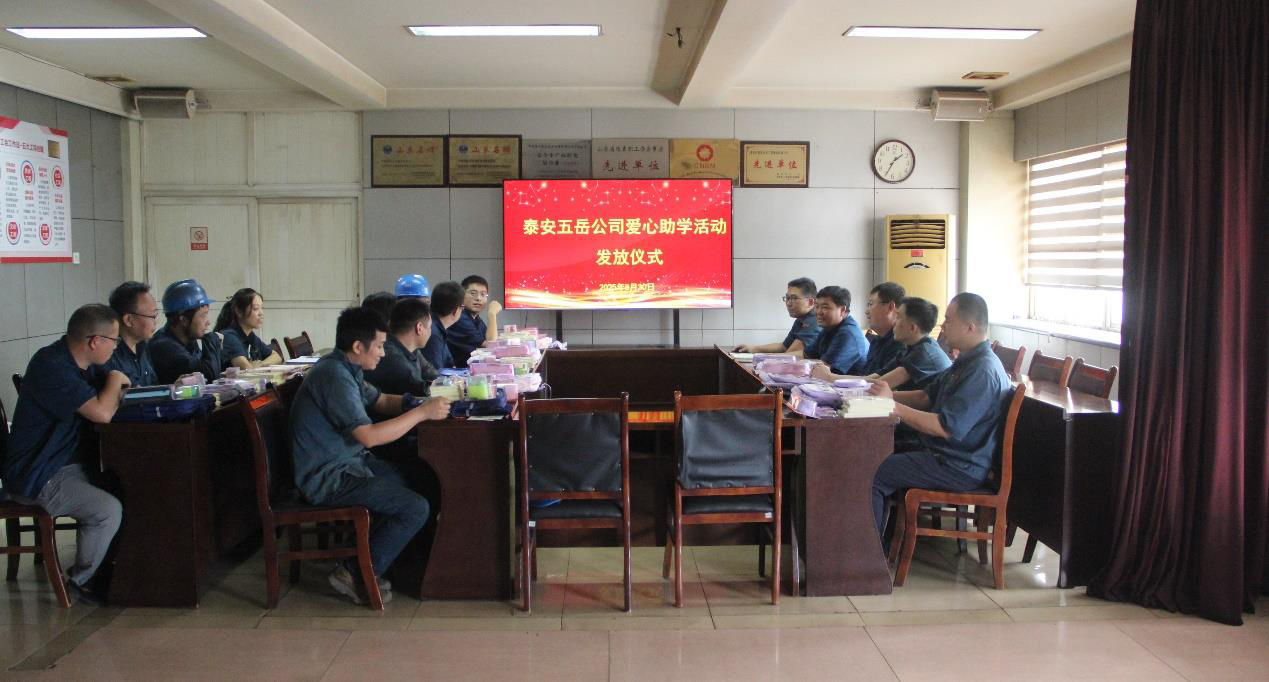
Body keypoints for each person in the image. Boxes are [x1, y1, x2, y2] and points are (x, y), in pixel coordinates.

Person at [289, 307, 451, 605]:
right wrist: (421, 414)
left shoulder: (346, 368)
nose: (383, 353)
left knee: (426, 480)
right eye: (379, 346)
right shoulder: (333, 376)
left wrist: (422, 403)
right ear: (358, 346)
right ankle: (354, 571)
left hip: (352, 464)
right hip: (329, 477)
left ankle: (403, 561)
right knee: (415, 507)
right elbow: (369, 436)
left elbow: (381, 400)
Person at [3, 305, 129, 605]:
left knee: (129, 487)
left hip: (66, 464)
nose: (116, 347)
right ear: (95, 341)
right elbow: (102, 412)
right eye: (113, 340)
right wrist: (115, 379)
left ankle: (116, 570)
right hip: (39, 473)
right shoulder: (52, 366)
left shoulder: (82, 364)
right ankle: (81, 580)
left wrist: (114, 381)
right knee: (107, 510)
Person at [869, 292, 1012, 541]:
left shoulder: (983, 370)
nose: (942, 326)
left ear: (970, 327)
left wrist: (892, 406)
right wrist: (885, 395)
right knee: (869, 453)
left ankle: (869, 554)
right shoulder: (966, 360)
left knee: (874, 473)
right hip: (941, 453)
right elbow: (926, 396)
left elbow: (945, 427)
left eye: (948, 320)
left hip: (958, 465)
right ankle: (873, 540)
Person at [149, 279, 225, 384]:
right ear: (184, 320)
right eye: (203, 315)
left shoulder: (188, 339)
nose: (208, 322)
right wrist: (212, 341)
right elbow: (208, 378)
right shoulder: (164, 347)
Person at [364, 297, 437, 397]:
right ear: (419, 328)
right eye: (429, 327)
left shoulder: (409, 348)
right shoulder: (395, 361)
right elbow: (423, 392)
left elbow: (429, 372)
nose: (430, 332)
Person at [97, 281, 159, 386]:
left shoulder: (143, 347)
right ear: (128, 320)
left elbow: (153, 388)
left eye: (156, 315)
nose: (156, 321)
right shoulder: (108, 355)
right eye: (152, 316)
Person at [734, 277, 819, 353]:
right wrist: (753, 348)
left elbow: (791, 355)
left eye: (794, 298)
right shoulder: (800, 319)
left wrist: (758, 358)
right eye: (787, 298)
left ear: (810, 302)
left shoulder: (815, 320)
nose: (788, 303)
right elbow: (784, 347)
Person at [802, 286, 869, 375]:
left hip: (848, 383)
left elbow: (824, 370)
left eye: (825, 307)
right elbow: (806, 355)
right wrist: (783, 359)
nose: (818, 312)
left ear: (842, 310)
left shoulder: (848, 333)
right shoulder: (829, 327)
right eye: (817, 307)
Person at [215, 288, 283, 370]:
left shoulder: (250, 335)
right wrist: (256, 366)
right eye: (256, 309)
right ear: (239, 311)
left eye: (261, 308)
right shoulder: (228, 336)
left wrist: (259, 365)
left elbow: (277, 357)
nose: (261, 313)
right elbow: (246, 368)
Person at [446, 275, 503, 367]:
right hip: (456, 372)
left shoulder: (475, 318)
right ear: (461, 295)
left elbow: (491, 341)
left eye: (483, 294)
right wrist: (492, 314)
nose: (478, 298)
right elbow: (492, 345)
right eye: (473, 293)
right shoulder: (460, 317)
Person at [860, 282, 907, 376]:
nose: (866, 311)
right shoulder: (877, 341)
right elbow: (865, 377)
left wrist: (831, 377)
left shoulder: (902, 343)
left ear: (890, 306)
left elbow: (879, 381)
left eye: (871, 304)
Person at [419, 281, 464, 371]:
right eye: (462, 307)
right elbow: (435, 374)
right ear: (455, 310)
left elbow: (450, 363)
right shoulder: (432, 333)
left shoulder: (438, 328)